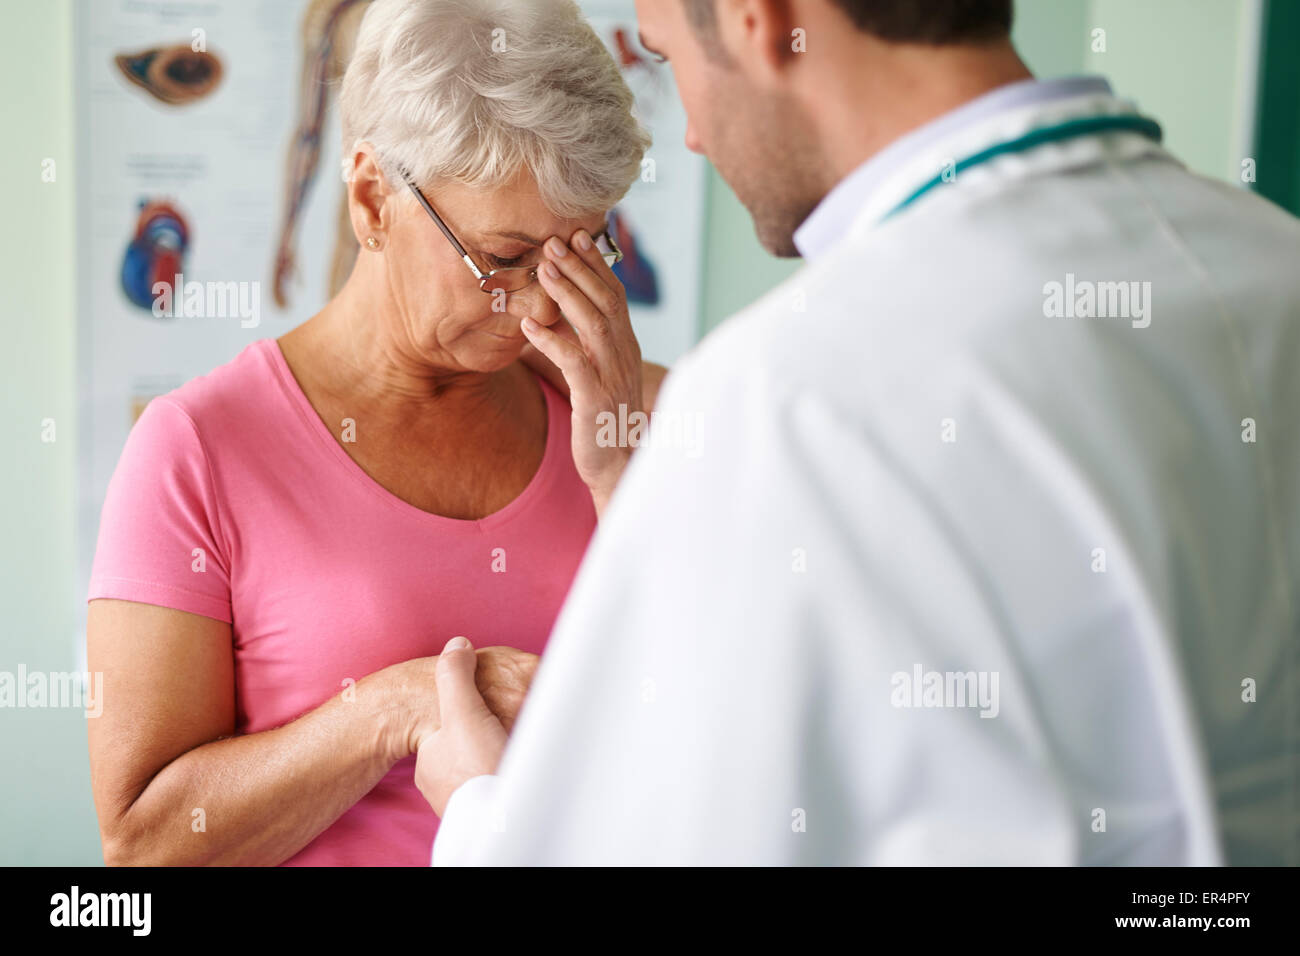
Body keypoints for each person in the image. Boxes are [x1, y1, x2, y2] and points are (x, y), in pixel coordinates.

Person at [418, 0, 1300, 865]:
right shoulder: (1273, 263)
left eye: (667, 57)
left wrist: (476, 809)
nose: (689, 135)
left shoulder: (792, 396)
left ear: (759, 22)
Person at [85, 0, 662, 865]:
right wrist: (401, 706)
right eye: (504, 259)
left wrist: (623, 473)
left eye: (583, 250)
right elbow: (146, 844)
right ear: (371, 199)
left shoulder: (627, 413)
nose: (545, 305)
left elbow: (721, 723)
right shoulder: (196, 450)